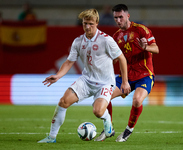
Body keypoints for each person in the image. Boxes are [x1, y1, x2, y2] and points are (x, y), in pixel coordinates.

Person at [37, 8, 131, 143]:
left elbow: (122, 59)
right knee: (63, 102)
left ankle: (107, 121)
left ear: (97, 23)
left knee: (98, 112)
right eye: (85, 23)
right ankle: (51, 137)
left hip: (105, 83)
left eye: (90, 24)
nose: (87, 27)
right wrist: (58, 76)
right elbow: (69, 62)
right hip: (86, 80)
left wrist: (125, 82)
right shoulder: (78, 41)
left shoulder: (106, 40)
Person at [94, 4, 159, 142]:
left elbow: (156, 49)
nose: (118, 20)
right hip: (125, 77)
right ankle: (108, 128)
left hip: (144, 75)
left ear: (127, 16)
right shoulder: (116, 36)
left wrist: (145, 46)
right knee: (104, 96)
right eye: (115, 18)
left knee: (136, 100)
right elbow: (115, 58)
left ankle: (128, 130)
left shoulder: (141, 30)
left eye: (120, 17)